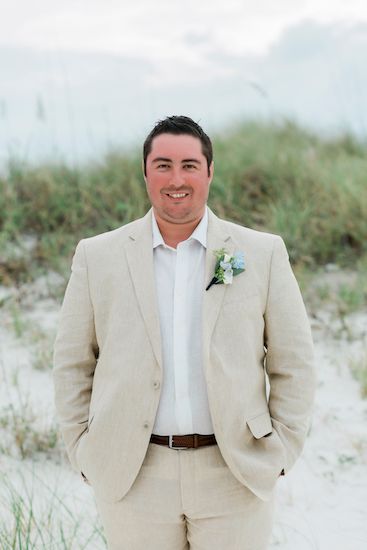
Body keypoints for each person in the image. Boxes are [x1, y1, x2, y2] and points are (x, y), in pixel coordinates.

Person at [53, 115, 316, 549]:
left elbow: (295, 363)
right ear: (145, 172)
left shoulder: (263, 253)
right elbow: (73, 363)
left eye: (190, 165)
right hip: (133, 475)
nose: (177, 178)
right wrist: (82, 448)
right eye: (163, 164)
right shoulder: (96, 256)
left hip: (234, 471)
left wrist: (282, 449)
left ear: (210, 172)